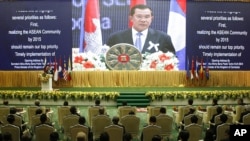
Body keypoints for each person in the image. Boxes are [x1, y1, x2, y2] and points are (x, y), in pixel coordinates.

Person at [106, 4, 175, 54]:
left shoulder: (163, 38)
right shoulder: (116, 37)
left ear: (151, 18)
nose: (143, 20)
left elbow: (171, 60)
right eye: (139, 16)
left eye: (147, 17)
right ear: (131, 18)